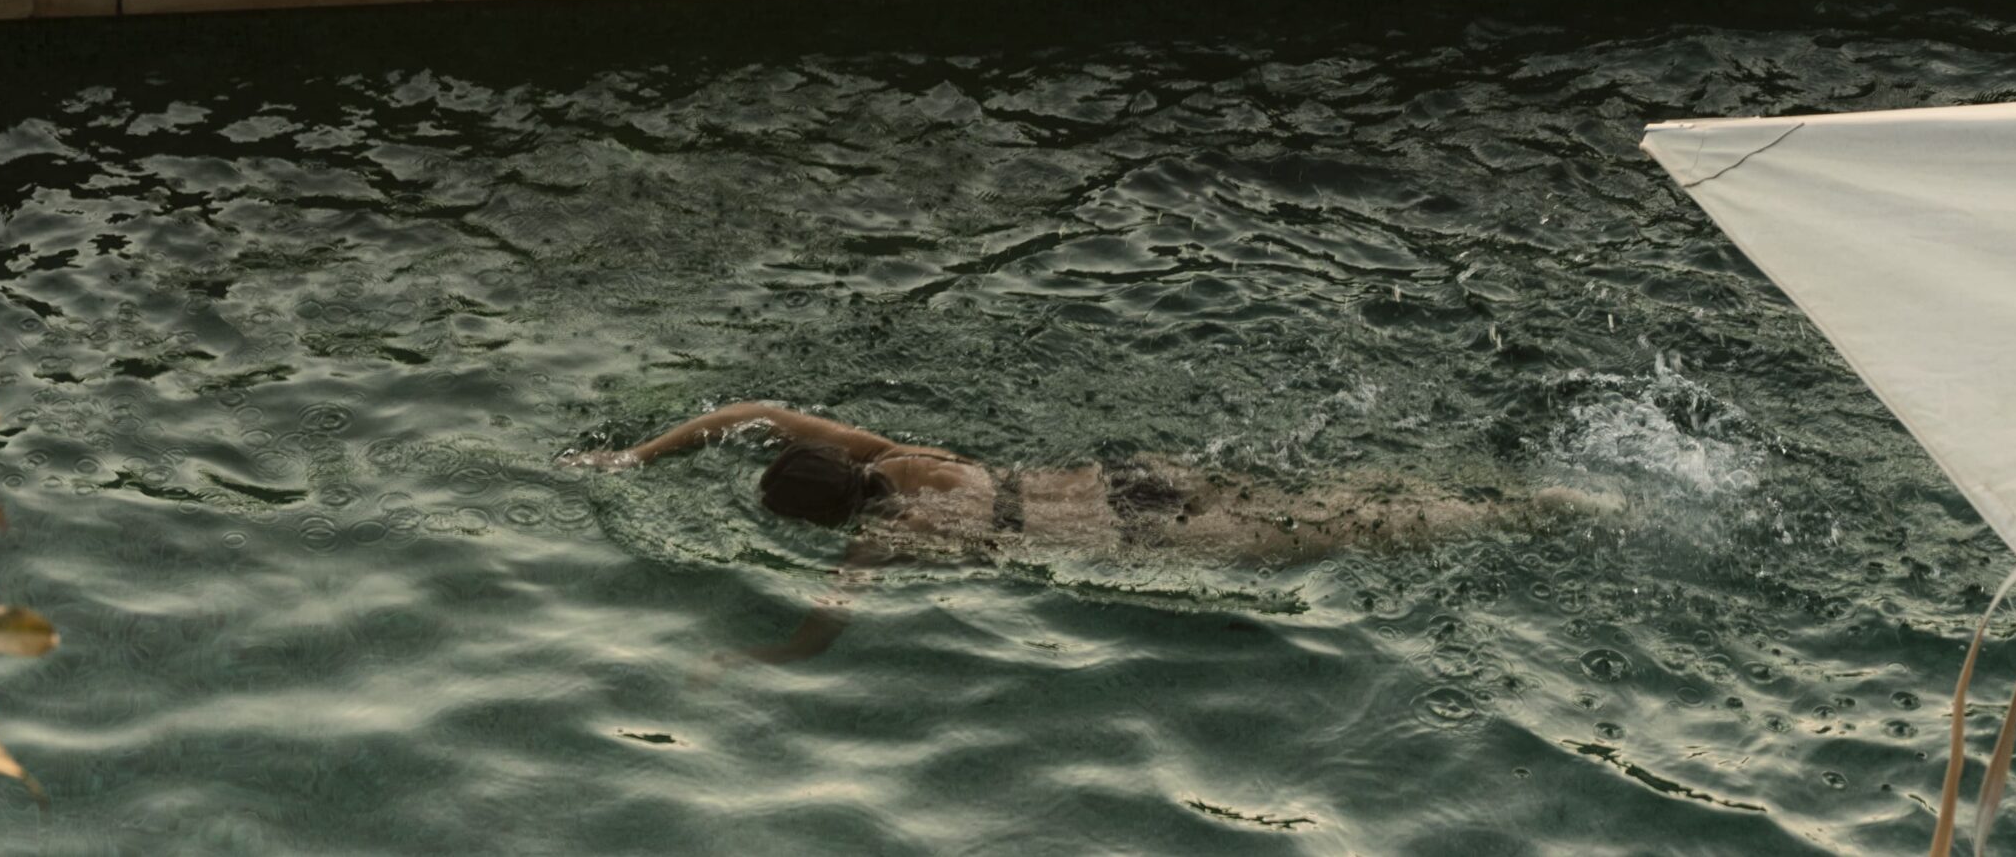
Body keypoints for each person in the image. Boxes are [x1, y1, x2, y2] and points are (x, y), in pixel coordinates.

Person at [598, 401, 1601, 659]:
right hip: (1135, 482)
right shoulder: (898, 457)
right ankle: (1527, 491)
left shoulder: (887, 535)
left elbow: (816, 632)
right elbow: (750, 412)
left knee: (1359, 533)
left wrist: (745, 652)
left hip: (1148, 545)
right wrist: (638, 454)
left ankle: (1547, 513)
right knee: (1348, 495)